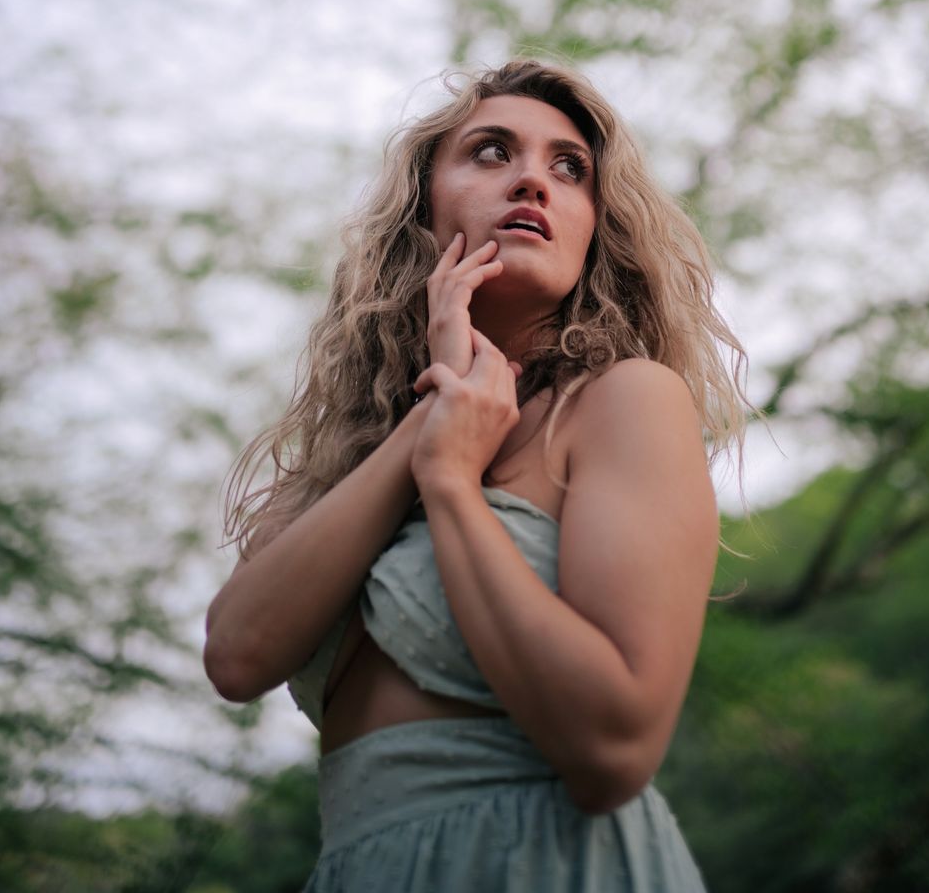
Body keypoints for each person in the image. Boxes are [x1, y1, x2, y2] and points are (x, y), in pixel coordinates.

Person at [204, 59, 748, 891]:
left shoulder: (621, 403)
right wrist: (430, 424)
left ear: (595, 225)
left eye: (569, 168)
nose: (533, 177)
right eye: (491, 152)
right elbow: (237, 657)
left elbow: (614, 750)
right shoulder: (345, 464)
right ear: (422, 210)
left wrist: (456, 489)